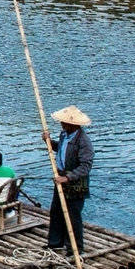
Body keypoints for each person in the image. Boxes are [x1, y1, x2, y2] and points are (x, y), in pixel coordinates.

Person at [45, 106, 93, 255]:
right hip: (60, 178)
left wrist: (67, 177)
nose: (62, 125)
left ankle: (75, 249)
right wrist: (48, 141)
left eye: (64, 123)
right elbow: (61, 149)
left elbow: (85, 166)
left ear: (74, 125)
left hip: (75, 182)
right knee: (57, 211)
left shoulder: (83, 141)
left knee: (73, 216)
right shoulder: (64, 135)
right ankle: (55, 243)